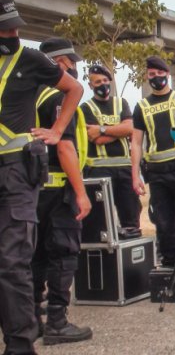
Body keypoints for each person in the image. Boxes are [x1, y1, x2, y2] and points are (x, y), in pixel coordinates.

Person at [0, 0, 83, 355]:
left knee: (13, 261)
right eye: (6, 27)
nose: (13, 32)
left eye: (15, 25)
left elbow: (74, 89)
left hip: (17, 172)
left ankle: (20, 346)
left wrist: (56, 130)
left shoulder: (30, 60)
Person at [33, 38, 92, 345]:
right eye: (72, 63)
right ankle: (56, 321)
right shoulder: (58, 95)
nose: (76, 69)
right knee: (63, 255)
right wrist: (81, 193)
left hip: (29, 191)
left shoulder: (27, 94)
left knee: (35, 256)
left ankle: (31, 320)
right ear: (58, 63)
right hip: (58, 192)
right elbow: (65, 145)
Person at [131, 56, 175, 267]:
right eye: (152, 75)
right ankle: (169, 266)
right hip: (156, 173)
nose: (156, 78)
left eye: (160, 74)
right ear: (147, 77)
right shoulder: (141, 106)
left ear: (167, 74)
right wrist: (135, 175)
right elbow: (136, 142)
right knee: (163, 222)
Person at [80, 64, 141, 234]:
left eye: (105, 80)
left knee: (131, 221)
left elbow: (130, 128)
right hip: (98, 171)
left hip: (124, 170)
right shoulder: (85, 108)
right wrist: (119, 130)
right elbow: (95, 139)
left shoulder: (121, 103)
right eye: (97, 81)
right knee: (99, 222)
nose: (102, 84)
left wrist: (102, 128)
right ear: (90, 85)